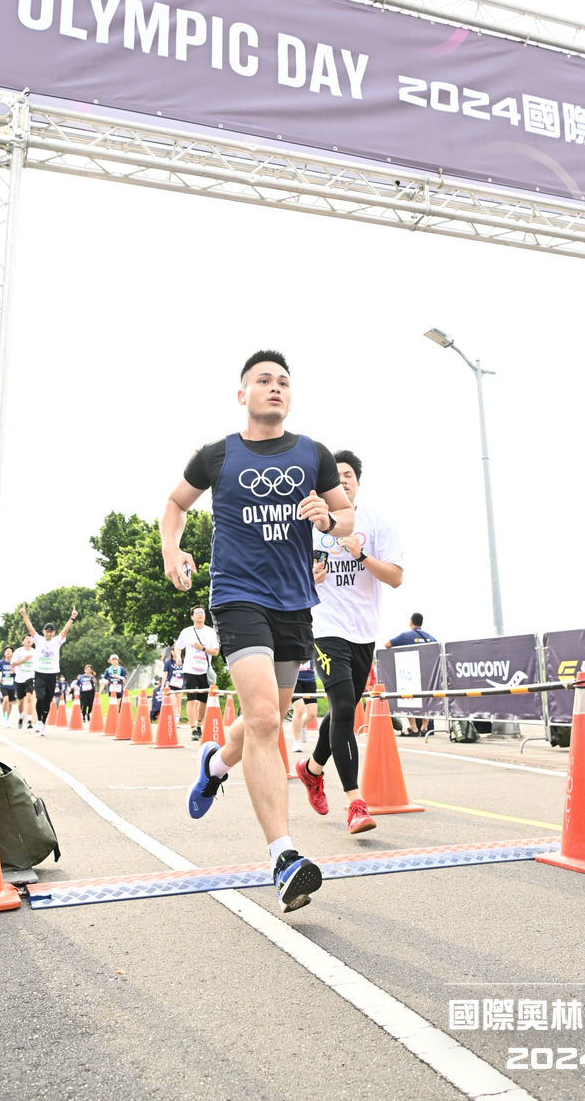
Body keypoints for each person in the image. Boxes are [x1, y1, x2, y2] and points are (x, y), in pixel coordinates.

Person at [160, 349, 352, 913]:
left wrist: (329, 520)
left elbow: (346, 517)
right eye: (263, 380)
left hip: (294, 602)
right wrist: (172, 548)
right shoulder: (218, 454)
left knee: (270, 715)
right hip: (238, 597)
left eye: (283, 382)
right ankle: (283, 857)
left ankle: (216, 764)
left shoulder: (313, 454)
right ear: (242, 394)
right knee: (266, 718)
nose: (275, 387)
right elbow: (175, 504)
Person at [296, 450, 404, 833]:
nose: (341, 481)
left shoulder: (375, 524)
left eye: (348, 476)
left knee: (343, 711)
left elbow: (395, 578)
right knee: (342, 706)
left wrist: (363, 556)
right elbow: (285, 580)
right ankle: (355, 803)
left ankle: (312, 769)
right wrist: (308, 577)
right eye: (334, 477)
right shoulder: (307, 528)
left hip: (364, 633)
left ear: (357, 483)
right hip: (325, 629)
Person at [20, 603, 78, 737]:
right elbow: (30, 627)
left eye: (51, 631)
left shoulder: (57, 640)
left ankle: (42, 722)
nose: (49, 633)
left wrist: (72, 618)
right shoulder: (38, 640)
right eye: (47, 631)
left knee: (48, 700)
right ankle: (39, 721)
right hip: (40, 673)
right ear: (43, 631)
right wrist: (24, 614)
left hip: (52, 674)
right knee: (40, 696)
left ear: (53, 633)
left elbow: (65, 630)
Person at [385, 611, 437, 736]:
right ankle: (425, 728)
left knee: (409, 698)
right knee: (426, 699)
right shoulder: (430, 637)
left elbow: (387, 644)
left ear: (411, 622)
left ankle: (413, 728)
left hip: (410, 673)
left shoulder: (405, 636)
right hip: (427, 673)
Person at [173, 605, 220, 741]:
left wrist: (202, 648)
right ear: (192, 617)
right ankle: (193, 728)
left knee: (203, 700)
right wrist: (178, 657)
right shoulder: (186, 631)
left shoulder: (210, 632)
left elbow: (215, 652)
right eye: (197, 613)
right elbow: (177, 647)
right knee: (191, 698)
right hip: (190, 670)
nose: (200, 614)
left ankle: (199, 723)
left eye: (202, 612)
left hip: (204, 670)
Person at [290, 660, 318, 752]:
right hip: (294, 679)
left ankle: (301, 726)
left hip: (310, 679)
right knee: (299, 709)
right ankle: (296, 741)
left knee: (312, 714)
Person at [10, 634, 36, 729]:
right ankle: (21, 717)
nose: (28, 640)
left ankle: (29, 720)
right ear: (23, 641)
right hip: (20, 678)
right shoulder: (18, 651)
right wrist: (24, 660)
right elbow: (13, 664)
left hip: (30, 677)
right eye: (26, 639)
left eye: (30, 639)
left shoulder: (35, 652)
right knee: (21, 701)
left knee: (29, 698)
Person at [161, 648, 185, 724]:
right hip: (171, 684)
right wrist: (162, 685)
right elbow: (165, 674)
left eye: (176, 651)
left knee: (178, 703)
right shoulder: (168, 662)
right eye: (173, 651)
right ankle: (174, 718)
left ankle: (177, 719)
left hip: (180, 684)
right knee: (173, 702)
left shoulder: (184, 661)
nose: (174, 652)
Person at [0, 647, 17, 726]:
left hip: (12, 685)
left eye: (10, 651)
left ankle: (7, 719)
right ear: (4, 653)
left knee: (10, 702)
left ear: (12, 653)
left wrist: (15, 671)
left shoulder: (15, 663)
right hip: (4, 684)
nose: (8, 652)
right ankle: (3, 716)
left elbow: (19, 672)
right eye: (7, 651)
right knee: (5, 699)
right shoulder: (1, 663)